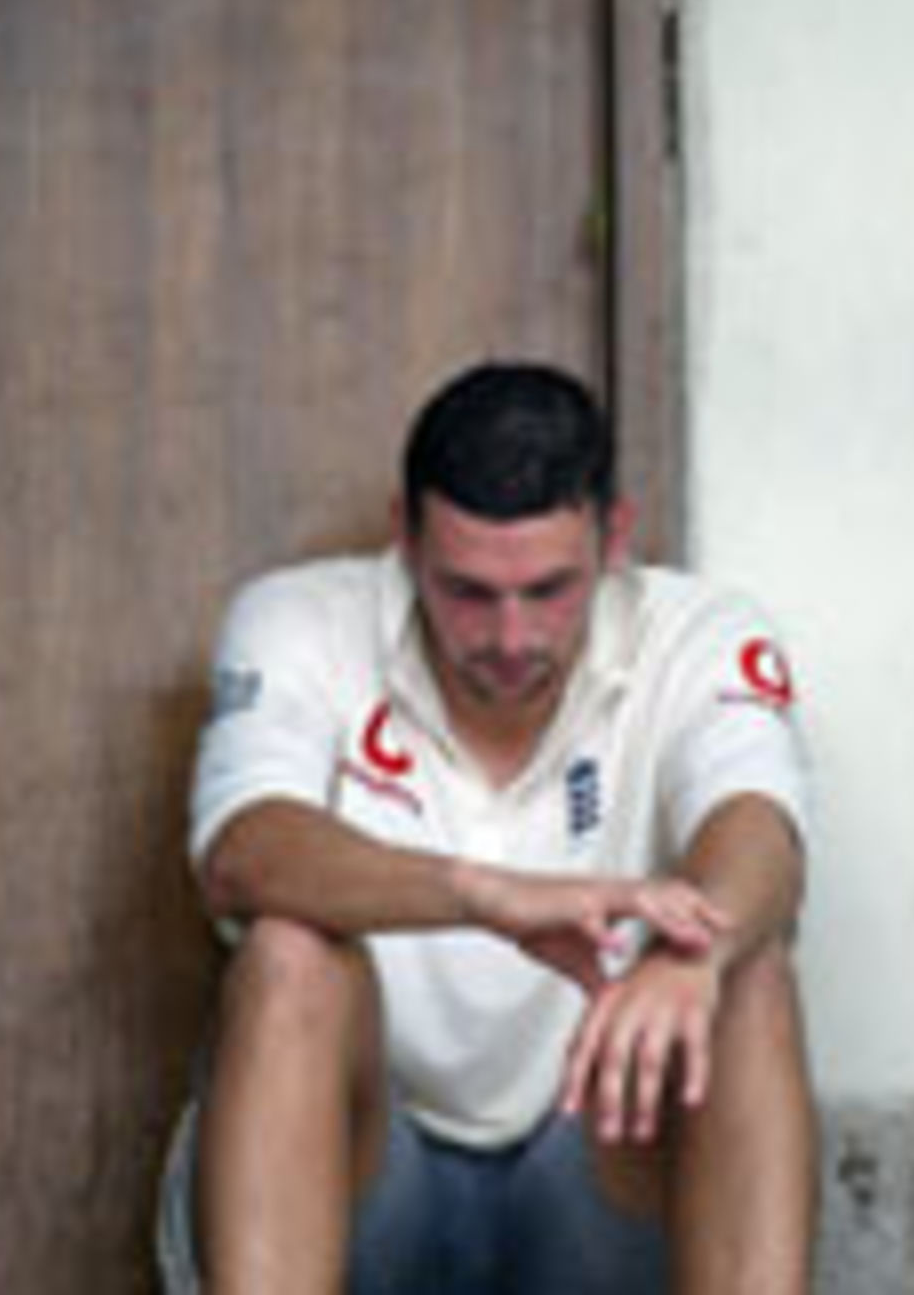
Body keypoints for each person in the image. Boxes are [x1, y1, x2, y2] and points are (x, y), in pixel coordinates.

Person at [158, 362, 816, 1294]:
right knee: (286, 955)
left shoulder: (703, 630)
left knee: (743, 967)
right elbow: (243, 852)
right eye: (467, 592)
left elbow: (763, 835)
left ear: (613, 538)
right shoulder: (294, 620)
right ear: (405, 540)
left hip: (599, 1169)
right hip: (368, 1178)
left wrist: (695, 957)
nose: (512, 638)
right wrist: (482, 894)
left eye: (550, 590)